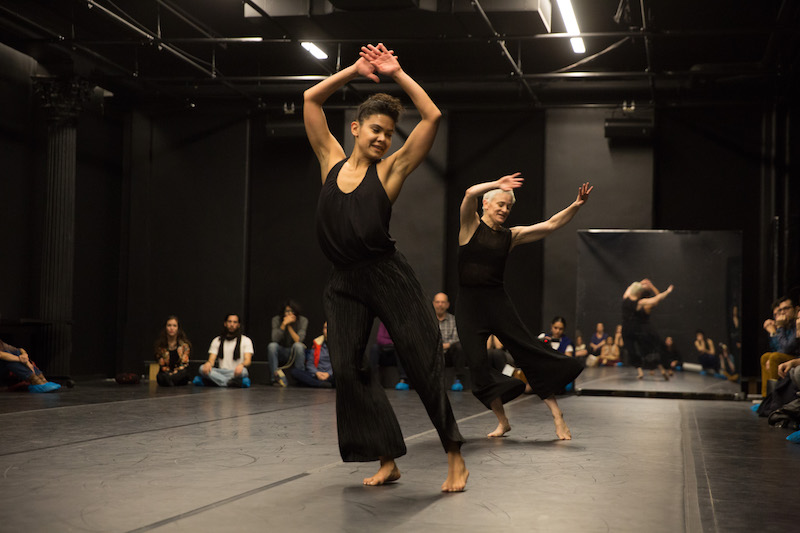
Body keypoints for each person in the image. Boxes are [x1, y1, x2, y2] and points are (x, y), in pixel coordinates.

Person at [303, 42, 467, 491]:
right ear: (355, 128)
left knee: (421, 362)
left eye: (388, 134)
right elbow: (311, 99)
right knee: (349, 369)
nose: (382, 138)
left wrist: (397, 73)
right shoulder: (330, 161)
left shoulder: (391, 171)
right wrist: (354, 70)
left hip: (386, 274)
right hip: (344, 282)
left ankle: (454, 454)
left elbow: (432, 118)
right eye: (375, 130)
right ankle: (386, 457)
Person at [456, 172, 590, 440]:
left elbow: (551, 225)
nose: (505, 210)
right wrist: (497, 184)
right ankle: (502, 421)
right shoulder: (470, 226)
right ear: (487, 204)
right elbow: (470, 192)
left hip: (497, 302)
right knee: (478, 366)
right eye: (501, 204)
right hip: (469, 307)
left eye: (509, 206)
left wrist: (576, 205)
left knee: (528, 353)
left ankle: (557, 415)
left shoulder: (511, 236)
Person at [621, 279, 674, 380]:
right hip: (635, 330)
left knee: (647, 350)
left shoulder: (629, 298)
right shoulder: (639, 302)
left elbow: (655, 299)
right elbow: (657, 298)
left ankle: (661, 368)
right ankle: (650, 369)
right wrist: (667, 292)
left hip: (635, 330)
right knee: (643, 350)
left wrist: (642, 284)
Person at [193, 314, 253, 388]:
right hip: (220, 372)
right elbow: (211, 360)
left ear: (238, 325)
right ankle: (229, 383)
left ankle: (217, 382)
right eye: (230, 322)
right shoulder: (217, 340)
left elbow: (248, 360)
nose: (232, 324)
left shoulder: (246, 340)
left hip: (235, 372)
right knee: (201, 368)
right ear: (225, 324)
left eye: (235, 322)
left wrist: (241, 365)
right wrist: (208, 364)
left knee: (244, 371)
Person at [760, 296, 800, 396]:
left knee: (774, 357)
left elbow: (787, 348)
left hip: (796, 358)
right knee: (766, 357)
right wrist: (774, 332)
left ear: (796, 309)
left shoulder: (796, 323)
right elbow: (776, 348)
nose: (782, 313)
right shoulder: (788, 324)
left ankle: (774, 398)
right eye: (780, 310)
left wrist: (779, 328)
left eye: (786, 309)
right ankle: (766, 397)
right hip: (790, 356)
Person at [267, 300, 308, 387]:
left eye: (292, 311)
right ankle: (276, 378)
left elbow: (299, 340)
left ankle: (300, 378)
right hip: (282, 350)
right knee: (272, 346)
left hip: (294, 352)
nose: (289, 314)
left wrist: (289, 326)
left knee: (298, 346)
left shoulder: (303, 320)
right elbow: (274, 338)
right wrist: (283, 324)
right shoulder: (276, 319)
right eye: (287, 311)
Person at [432, 292, 468, 391]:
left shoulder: (454, 320)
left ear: (447, 304)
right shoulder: (429, 320)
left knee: (459, 347)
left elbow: (457, 339)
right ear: (433, 304)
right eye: (438, 302)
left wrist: (443, 346)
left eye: (443, 302)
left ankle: (458, 380)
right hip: (432, 353)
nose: (440, 304)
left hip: (448, 354)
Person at [291, 322, 335, 388]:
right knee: (294, 372)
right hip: (317, 375)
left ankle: (318, 383)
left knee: (341, 376)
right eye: (325, 328)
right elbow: (310, 363)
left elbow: (340, 365)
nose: (327, 330)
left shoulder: (339, 345)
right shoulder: (317, 343)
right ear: (323, 330)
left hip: (331, 375)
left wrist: (328, 374)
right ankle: (320, 384)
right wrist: (317, 373)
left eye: (329, 328)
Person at [153, 315, 191, 387]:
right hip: (166, 373)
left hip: (179, 373)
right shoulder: (160, 346)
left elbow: (184, 364)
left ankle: (171, 381)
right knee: (161, 376)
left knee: (184, 374)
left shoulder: (184, 346)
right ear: (166, 327)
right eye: (169, 325)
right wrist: (169, 373)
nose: (171, 328)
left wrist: (175, 373)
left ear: (178, 328)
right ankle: (171, 381)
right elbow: (162, 365)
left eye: (174, 326)